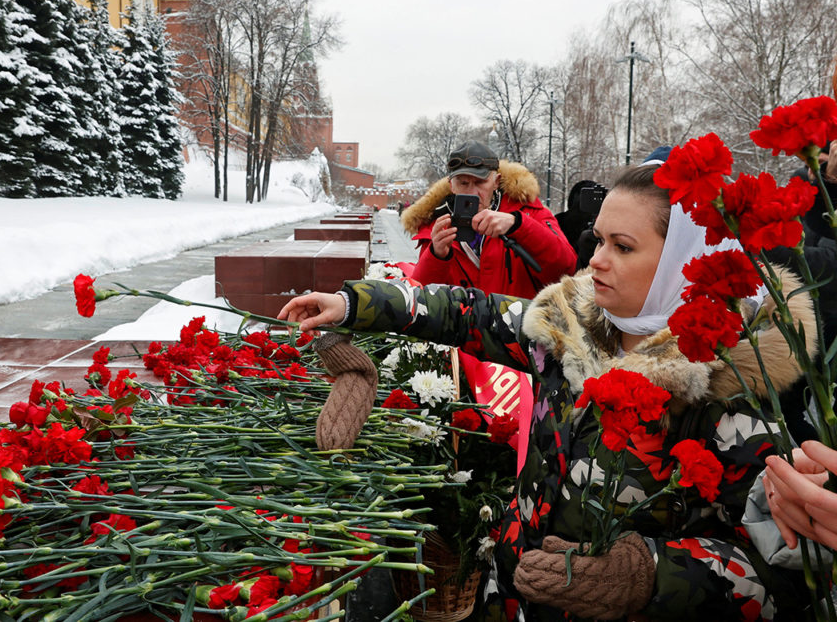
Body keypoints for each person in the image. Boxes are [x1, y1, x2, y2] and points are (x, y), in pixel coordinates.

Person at [280, 163, 813, 620]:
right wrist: (356, 305)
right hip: (511, 595)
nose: (596, 259)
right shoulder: (572, 323)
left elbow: (781, 571)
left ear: (684, 263)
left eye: (622, 247)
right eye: (599, 239)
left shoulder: (728, 389)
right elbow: (471, 312)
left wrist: (646, 572)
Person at [399, 140, 576, 298]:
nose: (472, 192)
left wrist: (518, 226)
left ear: (496, 181)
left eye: (480, 182)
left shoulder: (529, 213)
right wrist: (436, 256)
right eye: (463, 183)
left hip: (516, 331)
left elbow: (566, 268)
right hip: (461, 334)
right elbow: (420, 297)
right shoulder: (436, 227)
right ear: (451, 185)